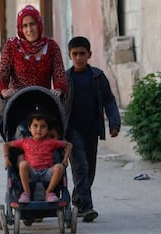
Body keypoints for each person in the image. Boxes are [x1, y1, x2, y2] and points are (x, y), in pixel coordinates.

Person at [65, 36, 121, 222]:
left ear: (89, 54)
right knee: (81, 166)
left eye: (82, 53)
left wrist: (114, 122)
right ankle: (88, 207)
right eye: (75, 54)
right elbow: (58, 103)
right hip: (72, 131)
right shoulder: (65, 78)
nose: (79, 57)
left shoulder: (97, 76)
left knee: (89, 170)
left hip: (92, 129)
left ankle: (78, 201)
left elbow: (109, 100)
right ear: (70, 55)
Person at [0, 5, 67, 101]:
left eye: (32, 24)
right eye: (25, 26)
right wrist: (4, 91)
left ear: (39, 24)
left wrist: (58, 90)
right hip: (18, 103)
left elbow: (60, 76)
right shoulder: (12, 46)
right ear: (20, 28)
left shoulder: (52, 47)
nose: (29, 29)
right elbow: (1, 77)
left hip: (44, 103)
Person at [3, 113, 72, 203]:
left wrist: (65, 159)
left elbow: (68, 145)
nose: (38, 129)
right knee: (23, 164)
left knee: (59, 167)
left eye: (43, 127)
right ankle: (26, 192)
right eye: (35, 126)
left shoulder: (51, 142)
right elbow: (6, 145)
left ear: (47, 130)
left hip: (47, 173)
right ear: (29, 128)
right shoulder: (25, 141)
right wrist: (6, 158)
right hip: (31, 173)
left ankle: (49, 192)